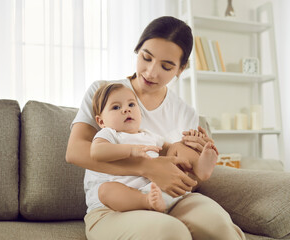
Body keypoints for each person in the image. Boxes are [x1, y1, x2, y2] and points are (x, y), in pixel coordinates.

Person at [66, 16, 245, 240]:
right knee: (171, 233)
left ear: (181, 69)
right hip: (114, 205)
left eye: (166, 66)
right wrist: (145, 167)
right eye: (146, 57)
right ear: (137, 49)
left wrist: (199, 159)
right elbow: (74, 151)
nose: (151, 72)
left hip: (171, 199)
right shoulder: (105, 94)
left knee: (220, 229)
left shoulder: (184, 112)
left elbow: (186, 177)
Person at [86, 82, 218, 213]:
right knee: (105, 191)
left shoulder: (148, 134)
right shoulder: (110, 134)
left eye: (131, 104)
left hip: (160, 186)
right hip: (130, 193)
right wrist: (130, 150)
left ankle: (200, 167)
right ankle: (147, 201)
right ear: (101, 121)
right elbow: (96, 152)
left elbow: (172, 150)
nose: (126, 109)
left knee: (177, 146)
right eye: (116, 107)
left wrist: (189, 142)